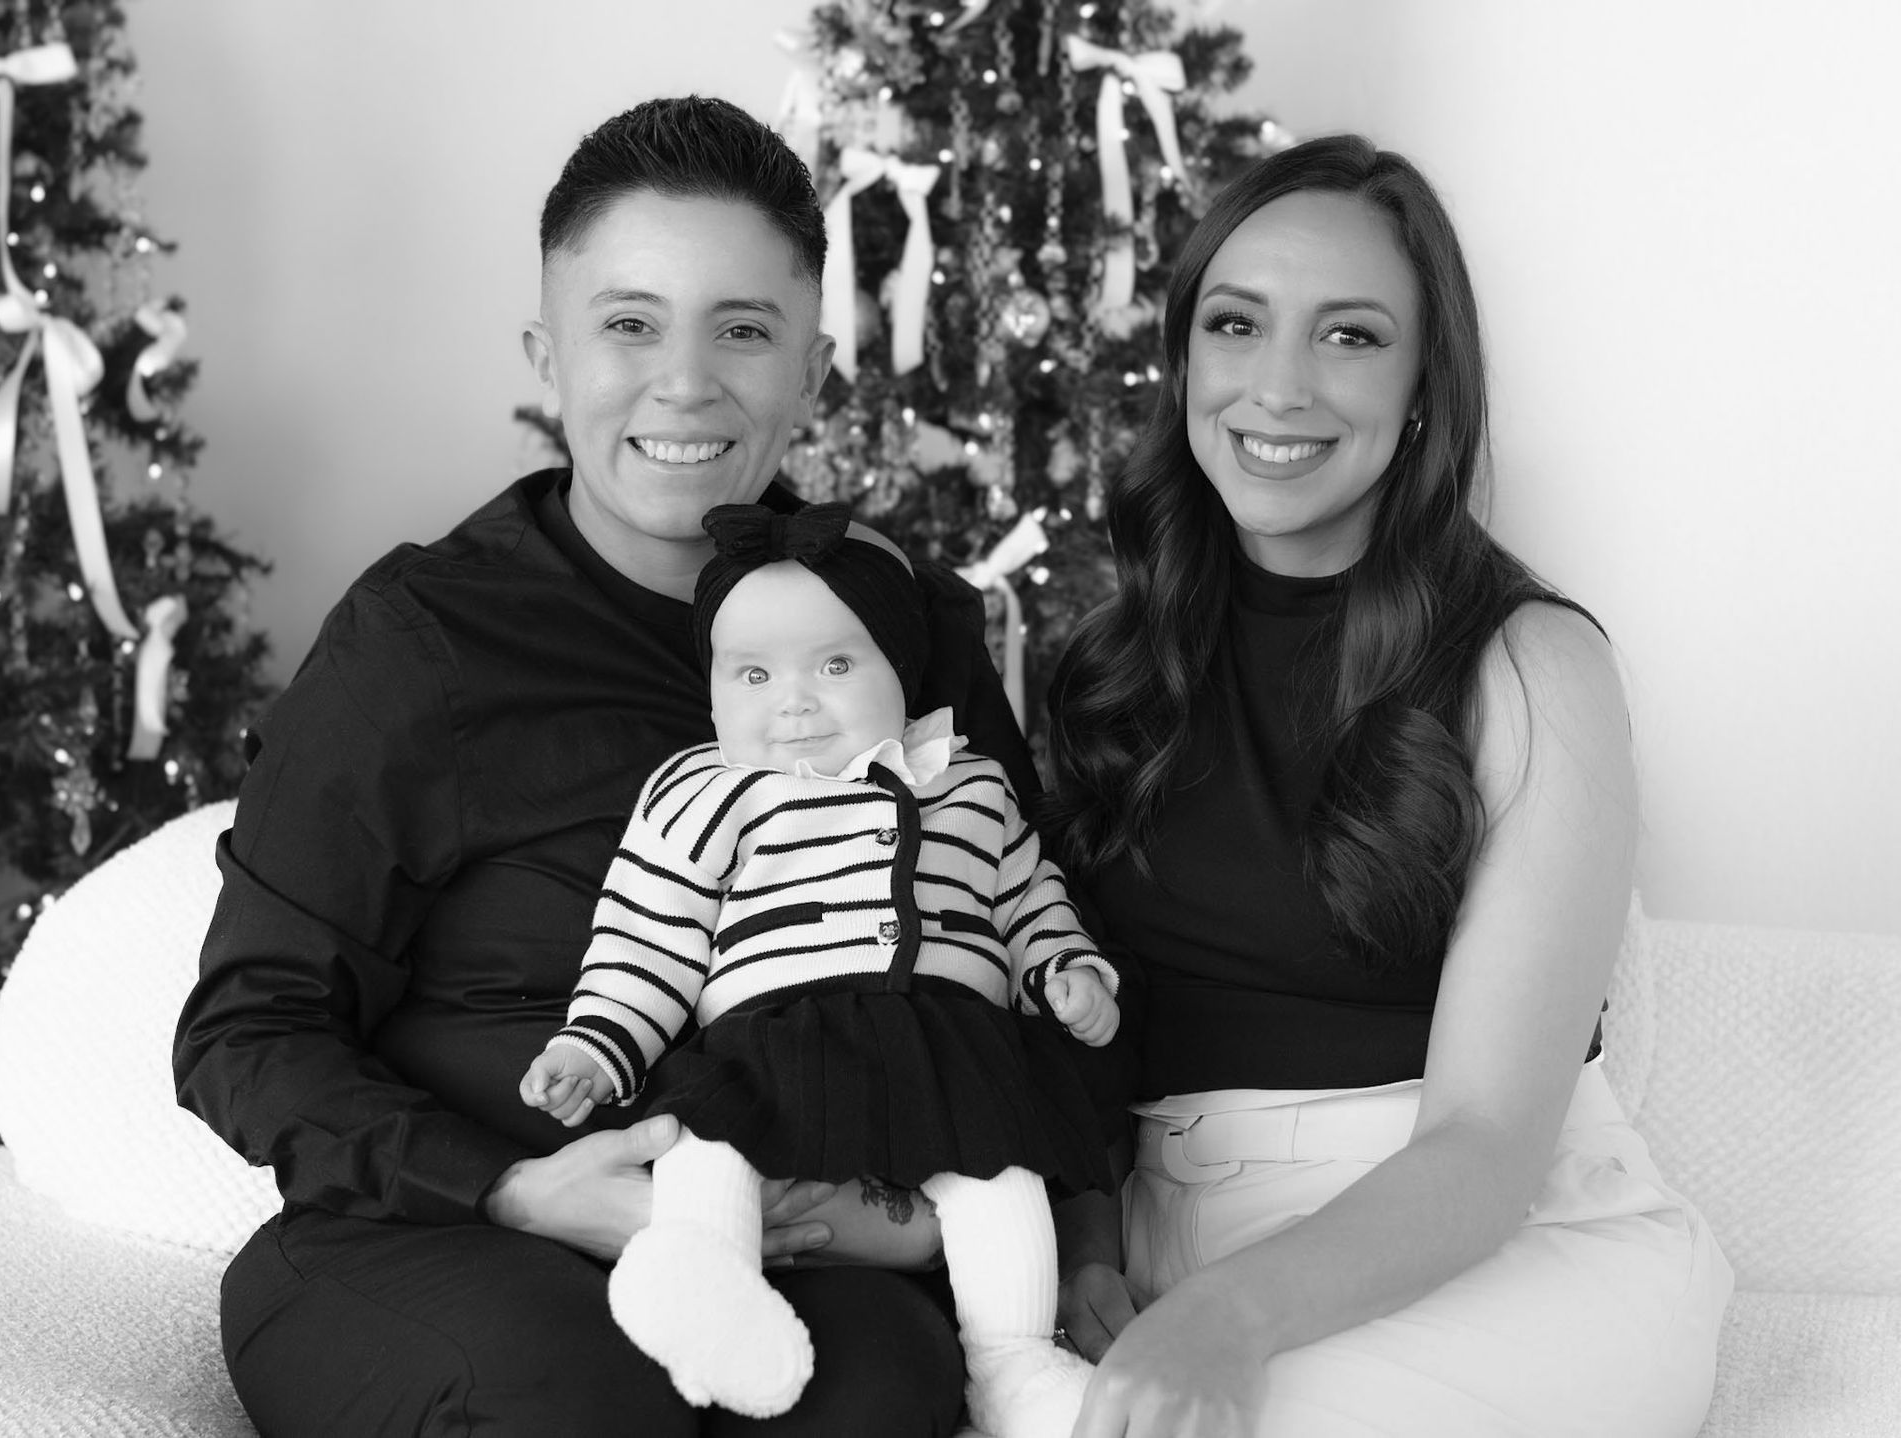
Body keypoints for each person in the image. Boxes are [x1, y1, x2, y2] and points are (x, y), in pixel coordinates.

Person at [172, 96, 1029, 1437]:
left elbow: (1027, 947)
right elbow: (249, 1029)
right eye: (628, 324)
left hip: (788, 1236)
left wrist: (947, 1215)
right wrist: (516, 1187)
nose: (684, 383)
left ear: (813, 370)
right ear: (548, 355)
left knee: (880, 1391)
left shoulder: (907, 627)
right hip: (434, 1235)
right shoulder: (421, 644)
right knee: (580, 1396)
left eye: (742, 329)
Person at [1044, 133, 1734, 1437]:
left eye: (1351, 336)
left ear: (1425, 382)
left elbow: (1484, 1143)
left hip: (1495, 1239)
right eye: (1237, 324)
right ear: (1187, 358)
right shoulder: (1102, 665)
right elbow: (1067, 1026)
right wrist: (1088, 1239)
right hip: (1180, 1236)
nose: (1280, 385)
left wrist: (1227, 1316)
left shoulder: (1533, 666)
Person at [520, 500, 1118, 1435]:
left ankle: (1012, 1361)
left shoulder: (967, 782)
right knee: (705, 1141)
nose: (792, 700)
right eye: (751, 673)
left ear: (901, 671)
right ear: (712, 684)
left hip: (949, 1040)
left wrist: (1064, 969)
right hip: (772, 1032)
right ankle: (706, 1283)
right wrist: (596, 1045)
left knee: (1000, 1179)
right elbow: (648, 939)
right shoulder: (702, 790)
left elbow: (1026, 898)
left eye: (835, 666)